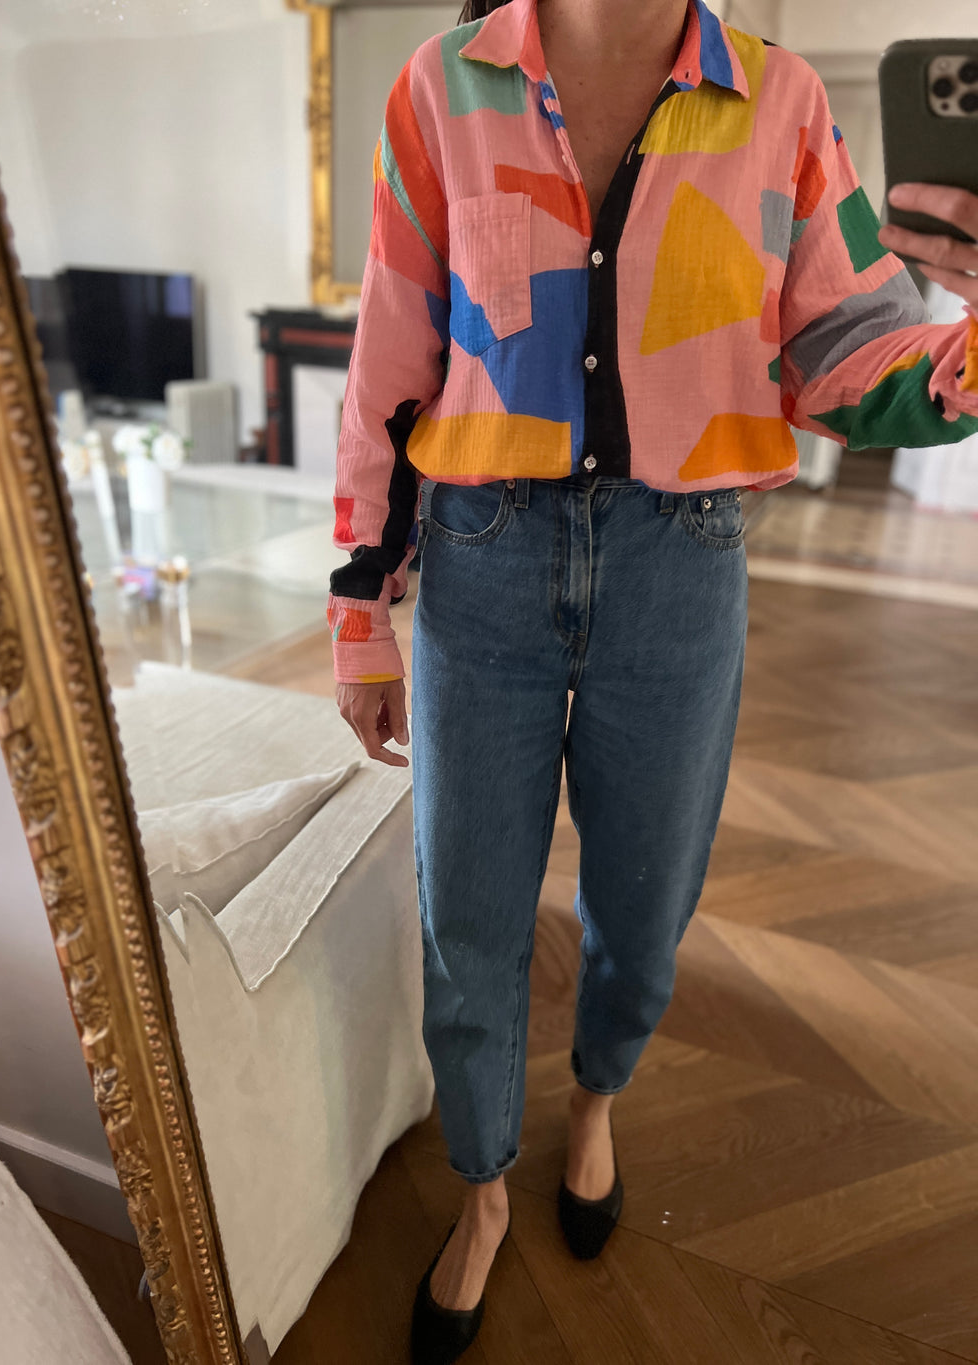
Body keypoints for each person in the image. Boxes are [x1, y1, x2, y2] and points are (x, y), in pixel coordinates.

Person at [325, 0, 978, 1358]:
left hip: (683, 563)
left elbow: (847, 360)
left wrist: (963, 350)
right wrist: (360, 609)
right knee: (468, 908)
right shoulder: (443, 88)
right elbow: (391, 356)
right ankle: (482, 1184)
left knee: (647, 890)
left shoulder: (783, 102)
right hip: (481, 561)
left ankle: (599, 1101)